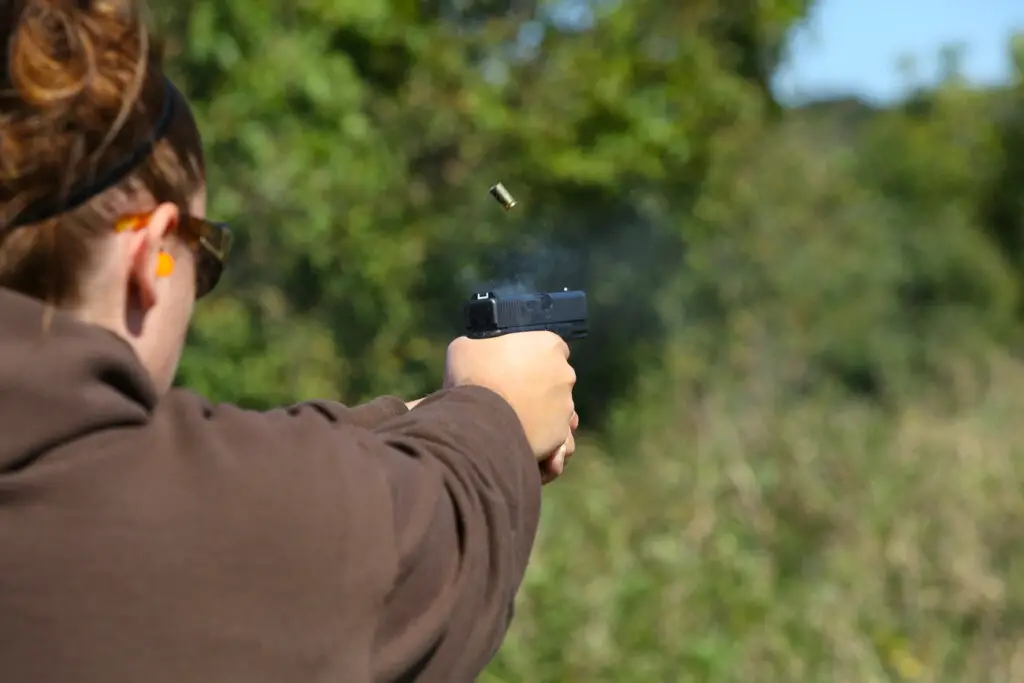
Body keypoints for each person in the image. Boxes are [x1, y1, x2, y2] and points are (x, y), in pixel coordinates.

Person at [0, 0, 578, 681]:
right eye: (204, 254)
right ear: (149, 259)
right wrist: (498, 413)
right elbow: (406, 549)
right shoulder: (135, 519)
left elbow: (244, 467)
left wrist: (421, 419)